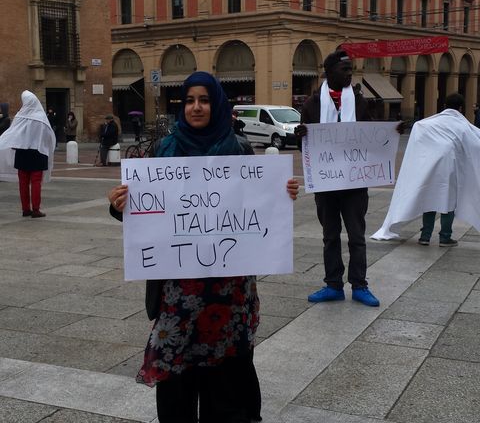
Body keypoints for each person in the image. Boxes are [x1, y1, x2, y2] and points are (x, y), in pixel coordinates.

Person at [108, 71, 299, 423]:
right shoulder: (164, 150)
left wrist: (281, 194)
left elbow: (258, 206)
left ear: (218, 104)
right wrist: (120, 205)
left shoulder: (239, 148)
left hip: (228, 292)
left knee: (227, 379)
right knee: (177, 377)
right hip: (178, 292)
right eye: (190, 100)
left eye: (205, 100)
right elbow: (147, 215)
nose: (197, 107)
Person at [295, 49, 402, 307]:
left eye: (350, 69)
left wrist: (392, 131)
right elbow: (307, 150)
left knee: (356, 236)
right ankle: (333, 285)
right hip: (326, 184)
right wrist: (301, 137)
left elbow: (371, 136)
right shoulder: (312, 104)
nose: (349, 74)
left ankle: (360, 285)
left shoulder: (359, 100)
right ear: (328, 72)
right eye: (344, 69)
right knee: (330, 236)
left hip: (354, 184)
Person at [371, 92, 480, 244]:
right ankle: (445, 236)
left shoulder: (430, 122)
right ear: (461, 108)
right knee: (449, 201)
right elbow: (475, 142)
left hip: (431, 166)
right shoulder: (462, 125)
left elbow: (419, 127)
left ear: (444, 106)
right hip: (450, 169)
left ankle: (425, 236)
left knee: (430, 198)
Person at [0, 90, 55, 217]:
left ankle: (25, 209)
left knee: (23, 183)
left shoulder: (20, 116)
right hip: (38, 153)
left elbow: (13, 133)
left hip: (22, 153)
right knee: (36, 182)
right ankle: (36, 209)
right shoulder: (41, 118)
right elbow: (48, 136)